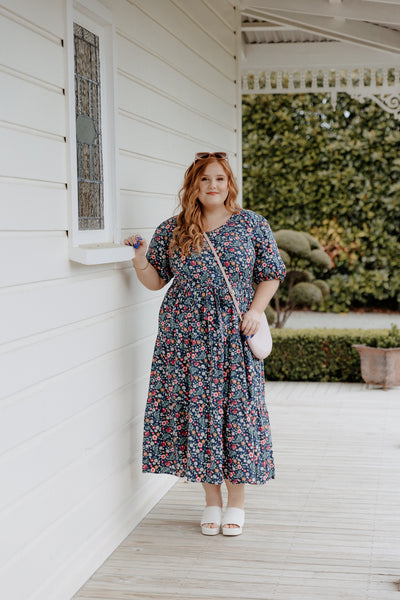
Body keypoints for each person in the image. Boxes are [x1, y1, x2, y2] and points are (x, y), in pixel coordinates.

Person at [124, 152, 286, 536]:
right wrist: (138, 257)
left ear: (229, 184)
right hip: (185, 338)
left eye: (219, 179)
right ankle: (211, 502)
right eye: (204, 180)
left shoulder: (251, 225)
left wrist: (255, 311)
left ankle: (237, 504)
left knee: (234, 414)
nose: (212, 185)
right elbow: (155, 280)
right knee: (199, 416)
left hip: (232, 335)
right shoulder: (175, 228)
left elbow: (271, 274)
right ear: (193, 186)